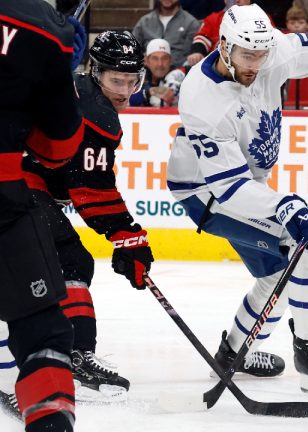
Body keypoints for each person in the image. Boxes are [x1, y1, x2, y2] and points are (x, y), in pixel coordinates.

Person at [166, 4, 308, 393]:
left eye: (261, 54)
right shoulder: (202, 99)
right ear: (223, 47)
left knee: (279, 273)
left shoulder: (268, 51)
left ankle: (233, 353)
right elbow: (229, 188)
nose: (256, 63)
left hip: (245, 183)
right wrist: (285, 206)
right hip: (207, 191)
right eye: (246, 55)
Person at [20, 30, 153, 403]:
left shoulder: (82, 89)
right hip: (17, 181)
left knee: (57, 263)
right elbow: (91, 190)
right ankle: (74, 354)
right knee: (71, 259)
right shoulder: (96, 113)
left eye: (133, 80)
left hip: (23, 180)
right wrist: (129, 238)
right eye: (116, 80)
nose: (125, 90)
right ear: (96, 72)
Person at [0, 1, 87, 431]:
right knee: (44, 336)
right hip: (2, 195)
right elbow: (58, 148)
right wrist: (58, 72)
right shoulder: (43, 29)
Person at [132, 0, 201, 68]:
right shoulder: (144, 21)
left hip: (178, 71)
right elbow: (132, 48)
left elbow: (190, 54)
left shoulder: (191, 23)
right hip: (146, 70)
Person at [187, 0, 251, 67]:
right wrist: (197, 52)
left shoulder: (258, 21)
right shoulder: (215, 18)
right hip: (213, 67)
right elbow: (202, 37)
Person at [130, 38, 186, 107]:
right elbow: (127, 99)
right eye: (155, 58)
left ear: (170, 60)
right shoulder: (138, 77)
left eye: (164, 58)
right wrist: (149, 92)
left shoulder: (177, 75)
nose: (160, 64)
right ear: (146, 61)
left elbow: (164, 99)